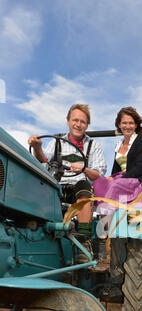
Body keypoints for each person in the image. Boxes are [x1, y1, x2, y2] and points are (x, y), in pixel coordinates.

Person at [28, 104, 107, 262]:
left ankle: (84, 243)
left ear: (87, 124)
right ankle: (35, 240)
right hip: (58, 184)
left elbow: (98, 173)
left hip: (79, 185)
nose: (78, 124)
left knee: (85, 191)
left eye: (82, 121)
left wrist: (84, 169)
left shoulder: (93, 145)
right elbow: (43, 159)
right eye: (75, 120)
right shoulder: (56, 143)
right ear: (68, 121)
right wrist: (37, 147)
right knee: (38, 187)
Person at [93, 107, 142, 269]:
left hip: (139, 179)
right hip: (122, 179)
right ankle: (105, 230)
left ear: (136, 125)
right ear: (119, 125)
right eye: (124, 123)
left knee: (114, 185)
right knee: (98, 183)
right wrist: (109, 178)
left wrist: (120, 178)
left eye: (131, 123)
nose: (128, 126)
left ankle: (106, 230)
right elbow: (115, 170)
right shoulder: (119, 145)